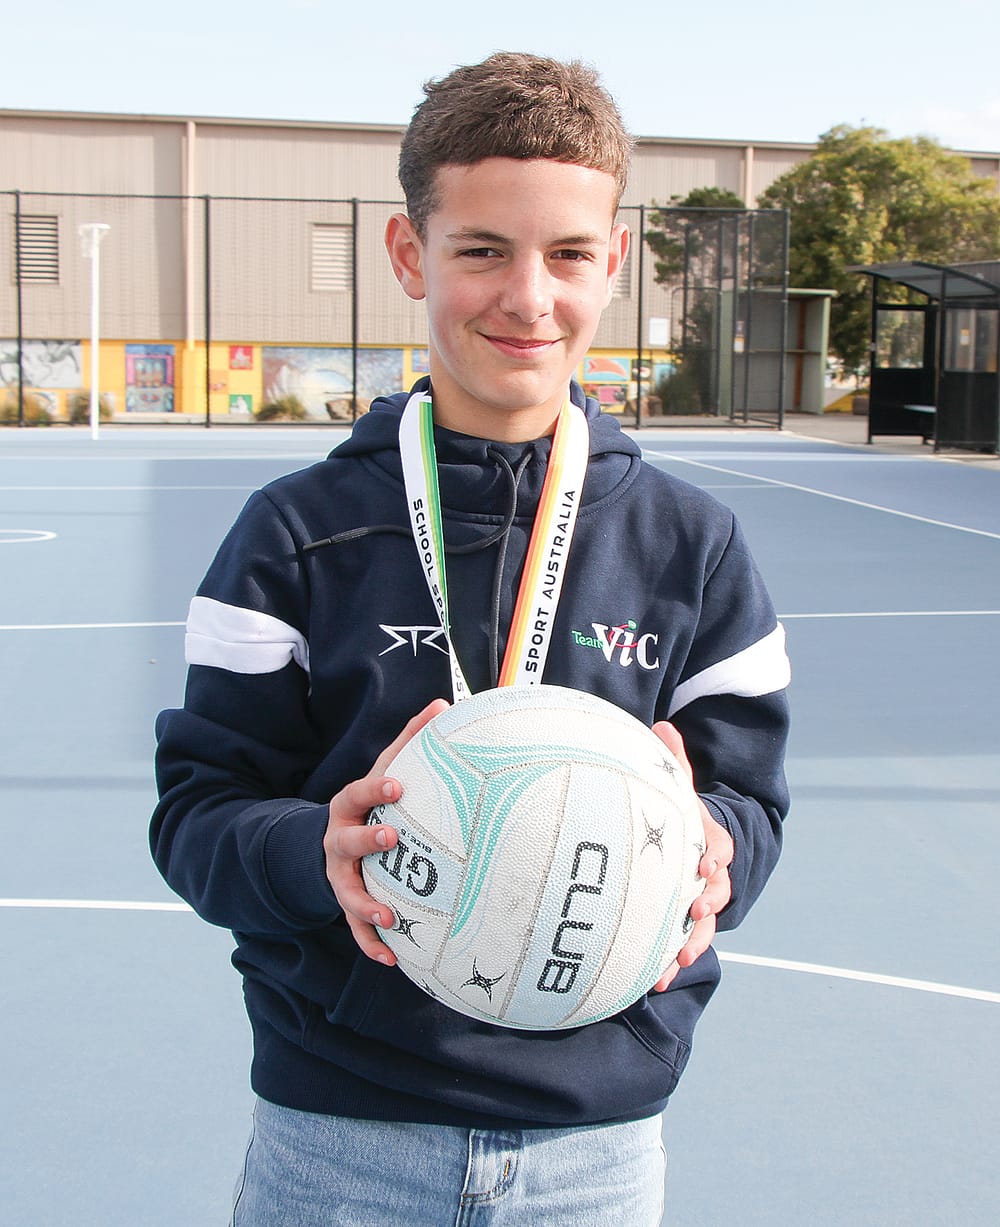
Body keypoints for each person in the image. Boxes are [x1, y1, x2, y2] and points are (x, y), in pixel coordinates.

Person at [151, 51, 790, 1227]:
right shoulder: (294, 537)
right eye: (481, 250)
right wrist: (315, 852)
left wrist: (714, 850)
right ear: (411, 255)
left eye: (568, 255)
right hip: (337, 1137)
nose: (528, 298)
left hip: (593, 1151)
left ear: (615, 261)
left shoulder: (688, 548)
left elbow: (755, 810)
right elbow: (195, 814)